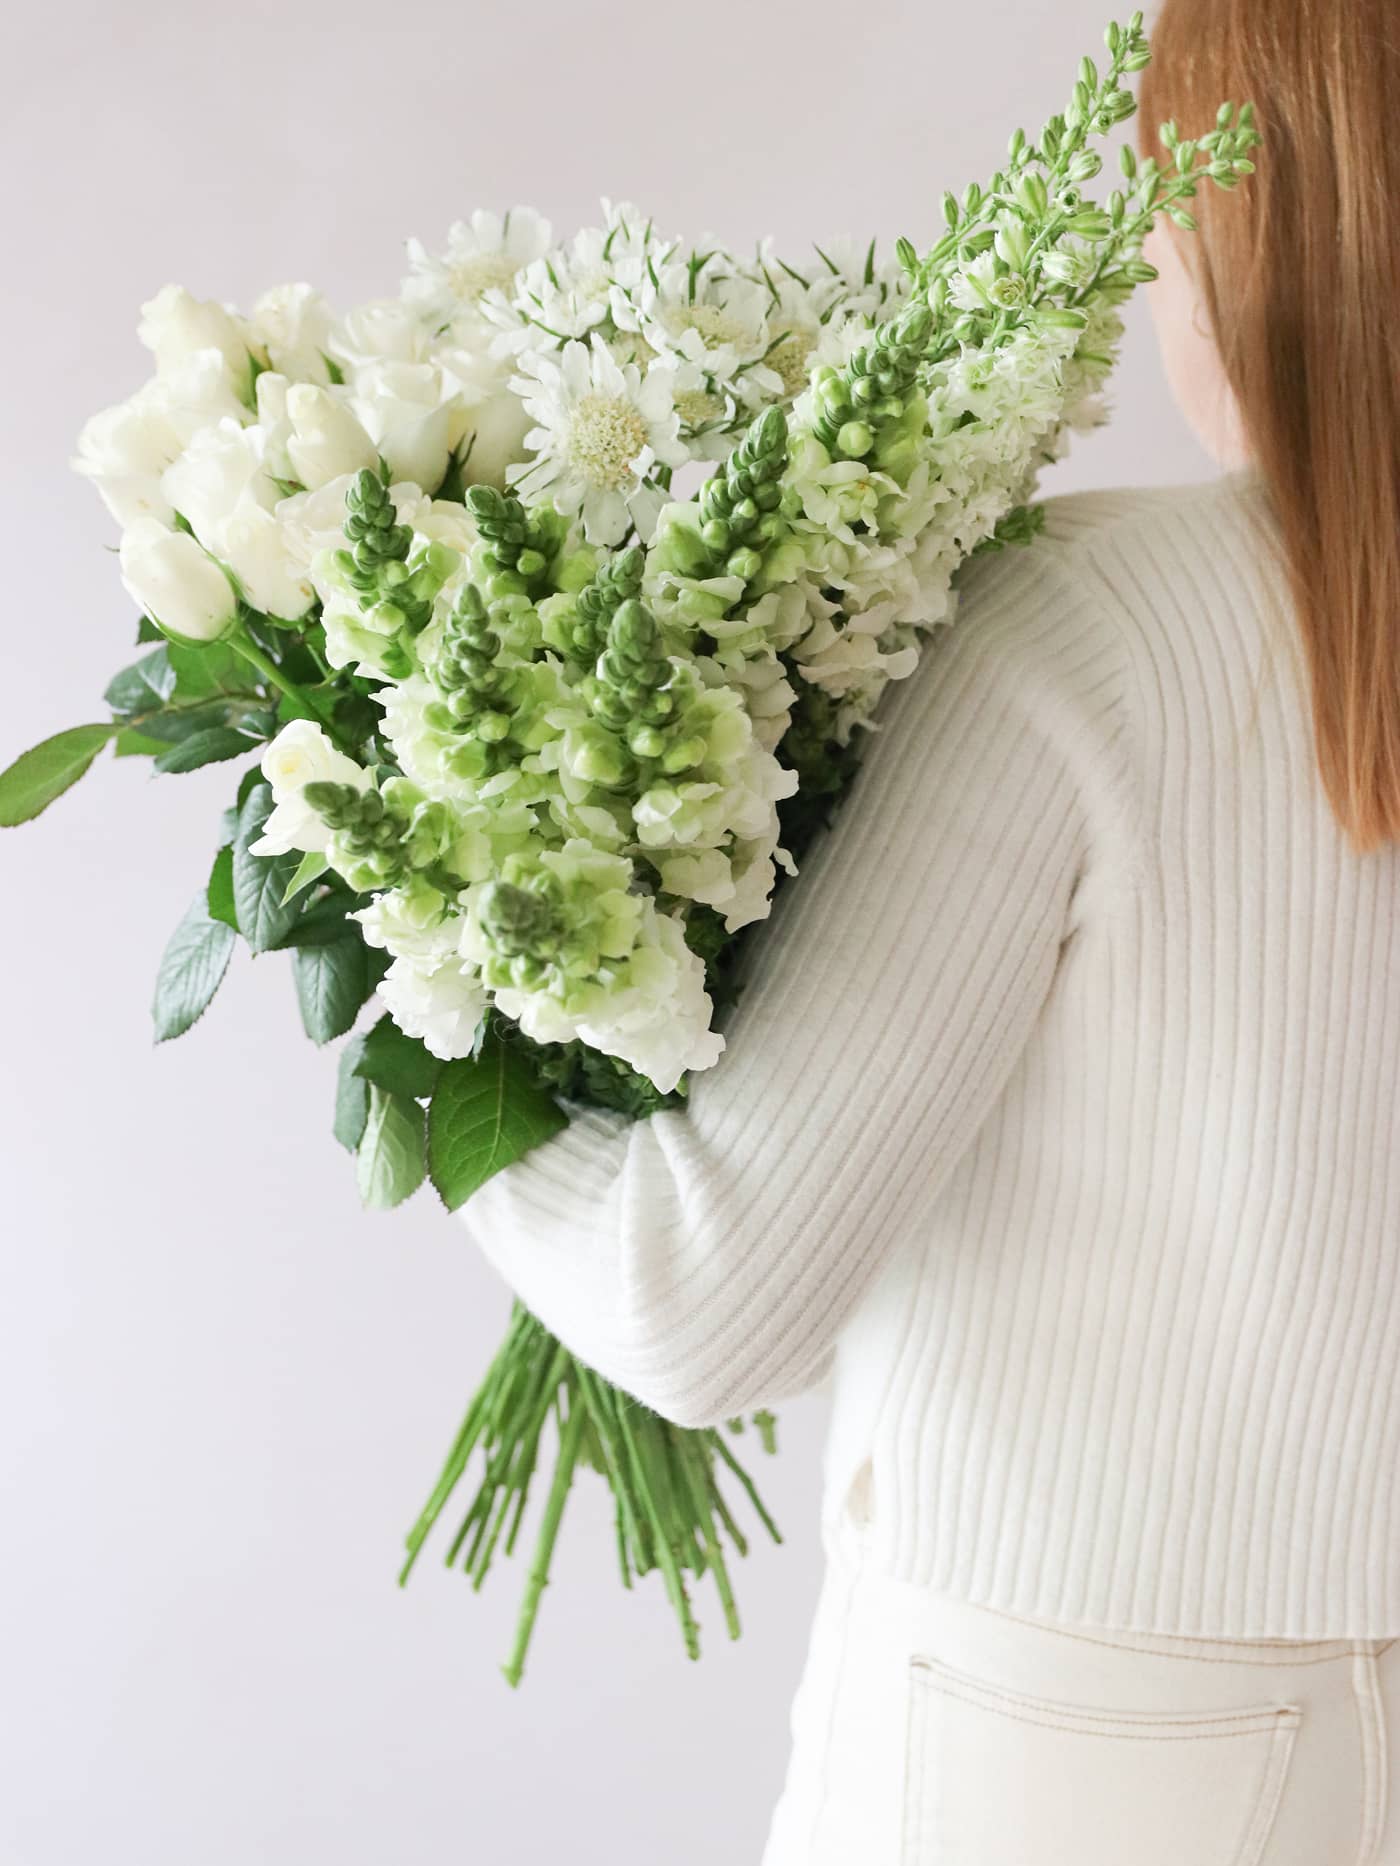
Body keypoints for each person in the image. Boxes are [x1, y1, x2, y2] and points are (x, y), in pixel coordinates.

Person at [460, 0, 1400, 1856]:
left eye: (1169, 198)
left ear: (1247, 225)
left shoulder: (1098, 626)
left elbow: (699, 1304)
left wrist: (426, 1055)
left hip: (1065, 1745)